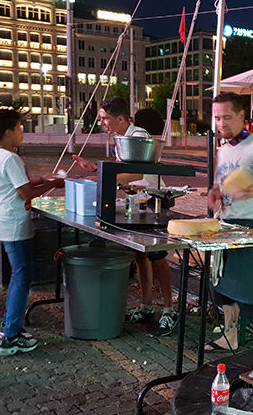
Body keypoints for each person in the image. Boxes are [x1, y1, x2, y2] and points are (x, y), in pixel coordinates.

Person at [72, 97, 177, 334]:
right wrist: (97, 170)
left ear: (120, 118)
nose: (103, 124)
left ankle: (169, 310)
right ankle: (146, 305)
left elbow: (135, 172)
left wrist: (105, 179)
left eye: (105, 118)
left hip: (153, 202)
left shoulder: (138, 136)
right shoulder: (121, 139)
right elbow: (124, 169)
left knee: (157, 256)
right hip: (137, 201)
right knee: (140, 255)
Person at [0, 109, 65, 355]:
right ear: (8, 132)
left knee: (18, 276)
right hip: (14, 225)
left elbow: (15, 185)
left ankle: (10, 324)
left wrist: (40, 179)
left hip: (4, 221)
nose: (22, 133)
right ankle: (10, 337)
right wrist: (53, 184)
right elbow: (25, 194)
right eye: (19, 128)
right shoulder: (10, 158)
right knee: (23, 277)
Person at [206, 92, 253, 351]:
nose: (221, 124)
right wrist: (215, 193)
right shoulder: (222, 149)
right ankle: (230, 338)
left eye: (227, 117)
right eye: (217, 118)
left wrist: (249, 191)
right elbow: (220, 183)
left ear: (241, 116)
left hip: (252, 225)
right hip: (226, 224)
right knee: (224, 286)